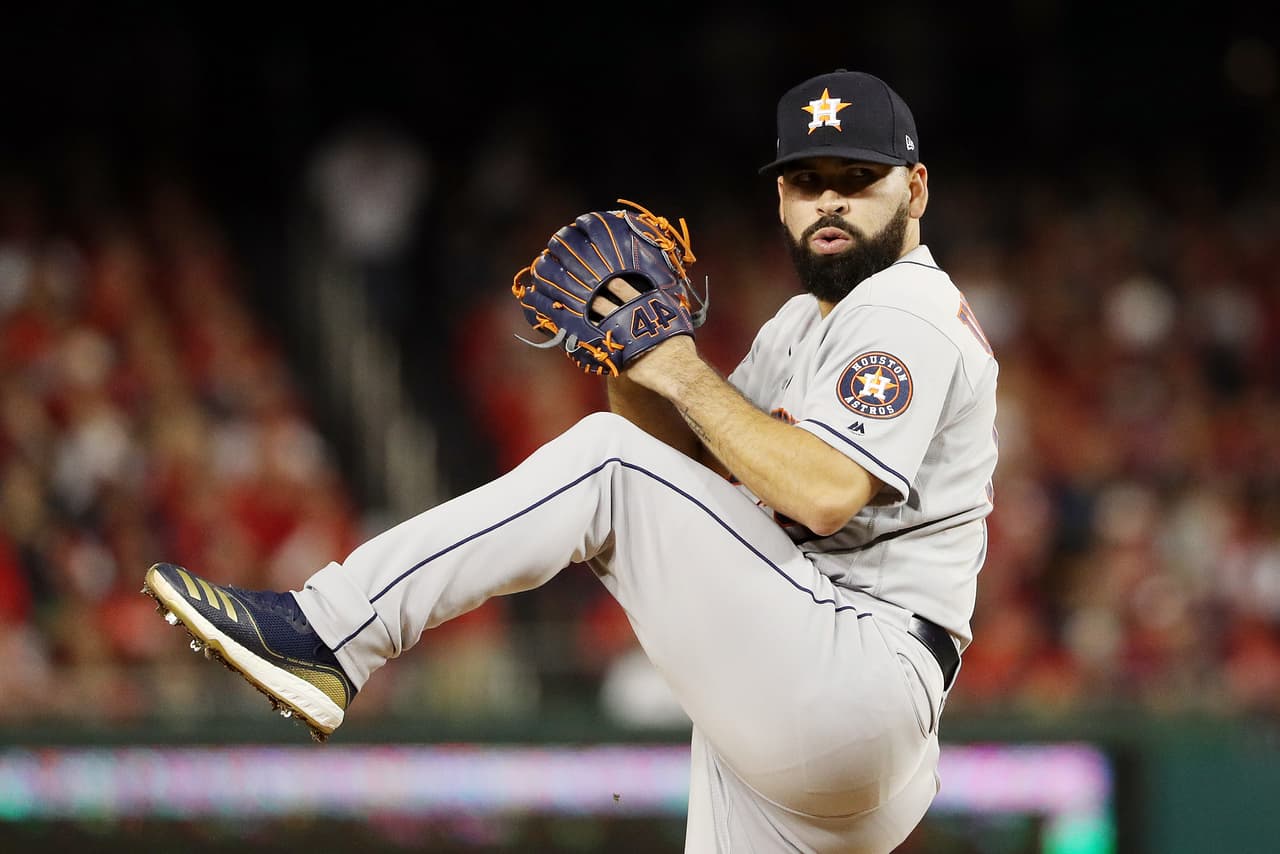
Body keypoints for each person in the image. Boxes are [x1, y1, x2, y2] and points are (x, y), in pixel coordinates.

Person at [143, 68, 999, 853]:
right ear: (781, 198)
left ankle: (328, 631)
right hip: (818, 700)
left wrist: (681, 368)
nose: (830, 203)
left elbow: (820, 493)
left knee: (605, 464)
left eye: (858, 179)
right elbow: (687, 472)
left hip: (858, 671)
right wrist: (635, 366)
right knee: (619, 460)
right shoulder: (803, 324)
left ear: (914, 188)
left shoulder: (905, 311)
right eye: (808, 182)